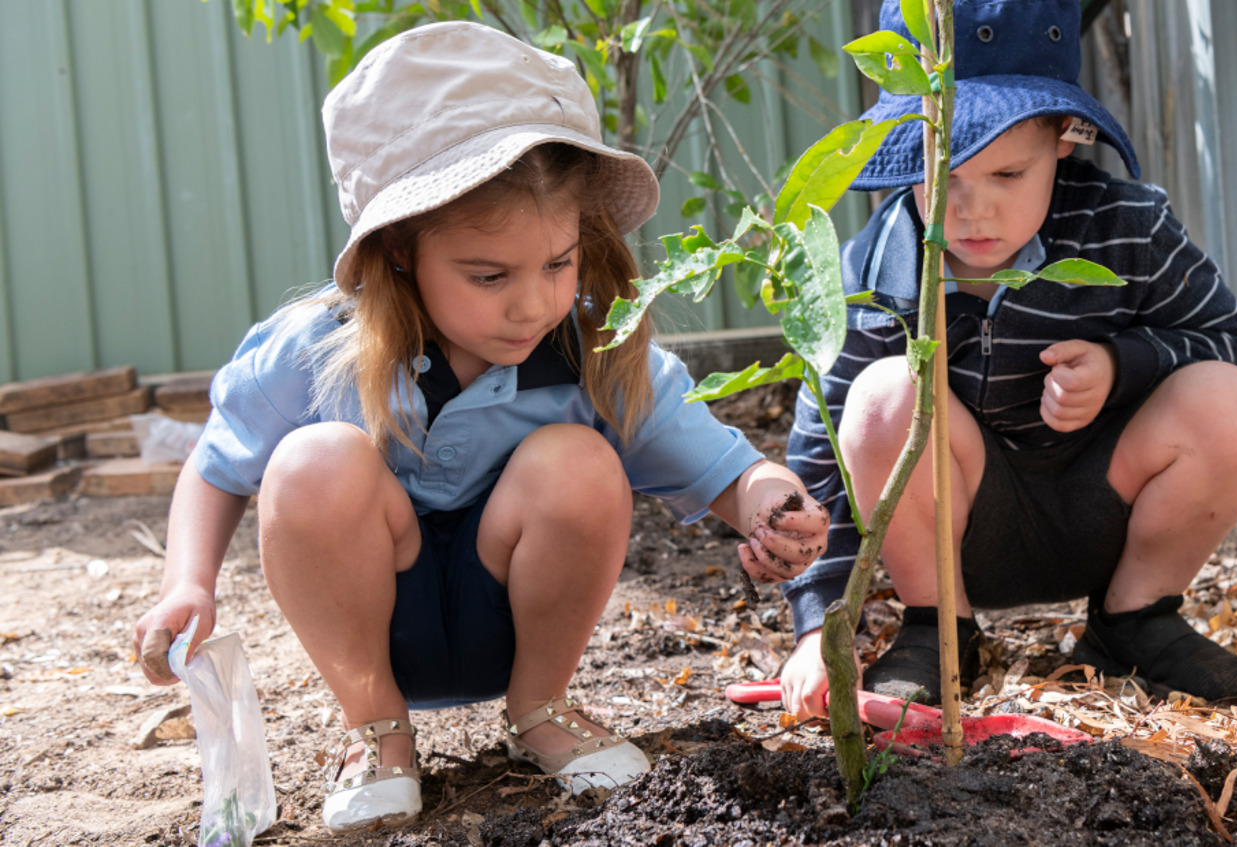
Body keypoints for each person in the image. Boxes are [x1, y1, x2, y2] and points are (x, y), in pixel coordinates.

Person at [131, 22, 827, 833]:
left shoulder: (592, 346)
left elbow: (721, 467)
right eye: (489, 275)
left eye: (558, 264)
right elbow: (218, 468)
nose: (532, 303)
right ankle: (379, 735)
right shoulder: (318, 350)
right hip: (373, 632)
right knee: (312, 462)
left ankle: (541, 709)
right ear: (398, 250)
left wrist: (772, 504)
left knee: (581, 461)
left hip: (517, 623)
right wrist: (188, 582)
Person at [778, 0, 1237, 720]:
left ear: (1064, 139)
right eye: (941, 176)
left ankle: (1134, 621)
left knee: (1231, 402)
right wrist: (820, 622)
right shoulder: (875, 266)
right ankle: (941, 629)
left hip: (1105, 506)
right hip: (959, 530)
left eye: (1008, 175)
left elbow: (1224, 337)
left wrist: (1120, 364)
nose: (970, 212)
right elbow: (820, 451)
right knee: (883, 394)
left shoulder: (1126, 227)